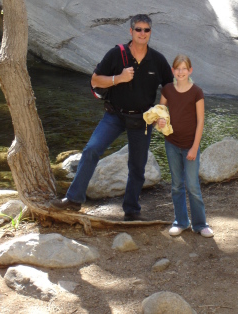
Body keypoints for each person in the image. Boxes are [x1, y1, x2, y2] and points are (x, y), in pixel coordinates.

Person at [50, 14, 173, 221]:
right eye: (138, 29)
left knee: (137, 165)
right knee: (91, 150)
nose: (142, 33)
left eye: (146, 30)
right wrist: (119, 78)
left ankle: (132, 211)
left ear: (150, 32)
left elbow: (169, 87)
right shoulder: (117, 54)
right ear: (131, 31)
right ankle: (73, 199)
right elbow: (96, 80)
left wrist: (161, 110)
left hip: (142, 119)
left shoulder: (157, 60)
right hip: (114, 115)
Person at [157, 54, 214, 237]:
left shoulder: (196, 92)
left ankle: (200, 224)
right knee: (176, 185)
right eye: (177, 68)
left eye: (184, 68)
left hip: (190, 145)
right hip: (172, 144)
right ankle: (181, 221)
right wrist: (160, 122)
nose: (180, 72)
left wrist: (195, 147)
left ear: (190, 70)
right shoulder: (167, 90)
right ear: (173, 71)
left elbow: (200, 121)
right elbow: (160, 113)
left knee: (193, 186)